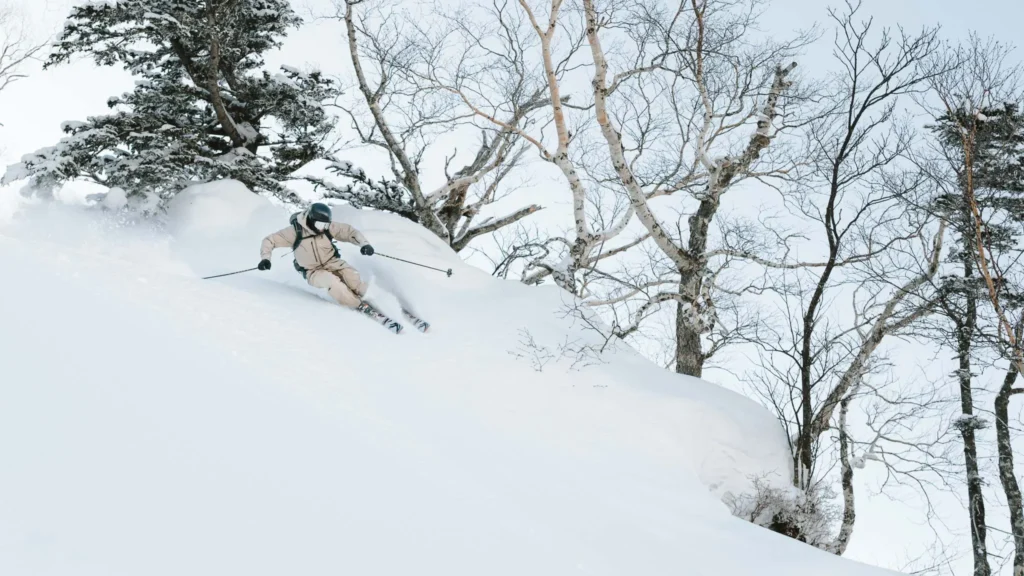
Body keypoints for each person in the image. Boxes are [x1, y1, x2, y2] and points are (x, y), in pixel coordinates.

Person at [258, 203, 375, 309]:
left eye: (325, 224)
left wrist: (364, 244)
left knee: (351, 276)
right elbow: (270, 241)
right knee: (332, 282)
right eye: (320, 224)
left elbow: (350, 232)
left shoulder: (326, 228)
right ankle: (357, 305)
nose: (323, 228)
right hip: (313, 271)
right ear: (311, 219)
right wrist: (265, 259)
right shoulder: (294, 232)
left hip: (332, 262)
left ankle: (372, 298)